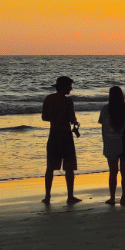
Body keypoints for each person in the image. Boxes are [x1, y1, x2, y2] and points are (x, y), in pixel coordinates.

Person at [42, 76, 80, 204]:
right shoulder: (68, 101)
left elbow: (44, 117)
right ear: (64, 87)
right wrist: (75, 122)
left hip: (53, 135)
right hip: (66, 135)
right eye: (69, 86)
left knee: (50, 167)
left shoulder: (49, 98)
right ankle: (70, 196)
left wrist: (55, 118)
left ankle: (47, 196)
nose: (71, 88)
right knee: (69, 167)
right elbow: (72, 119)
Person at [98, 86, 125, 205]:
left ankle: (113, 197)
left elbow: (103, 129)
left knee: (113, 172)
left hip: (110, 144)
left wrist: (105, 143)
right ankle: (123, 197)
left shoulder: (104, 109)